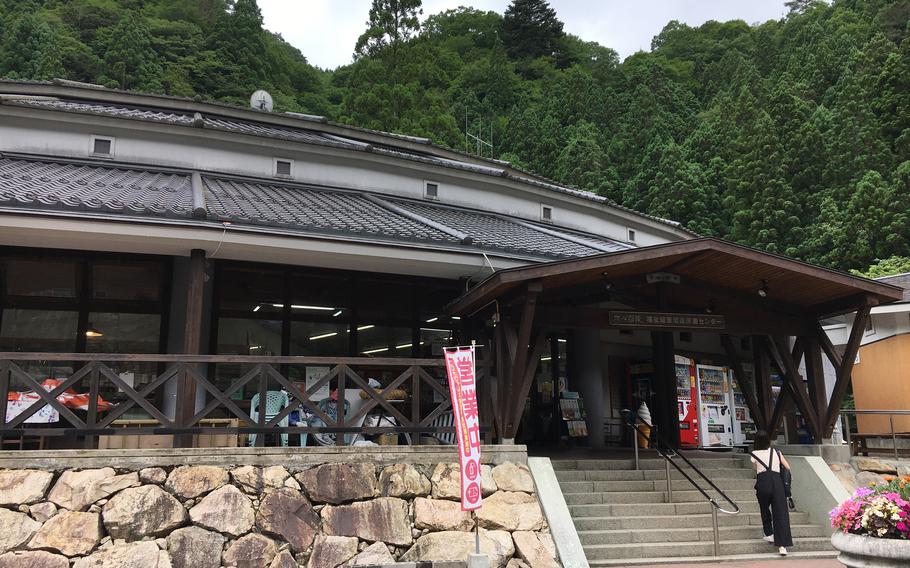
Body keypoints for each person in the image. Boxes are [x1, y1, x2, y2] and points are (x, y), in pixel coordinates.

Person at [750, 430, 793, 556]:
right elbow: (787, 467)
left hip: (763, 482)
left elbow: (755, 468)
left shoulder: (754, 454)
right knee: (780, 514)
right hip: (777, 482)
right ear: (768, 440)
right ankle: (782, 547)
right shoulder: (776, 452)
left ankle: (769, 533)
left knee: (764, 508)